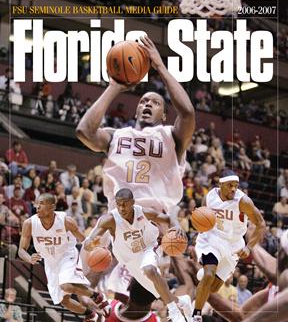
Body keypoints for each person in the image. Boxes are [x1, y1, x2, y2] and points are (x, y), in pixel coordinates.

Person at [76, 35, 195, 221]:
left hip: (156, 221)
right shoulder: (116, 135)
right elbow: (84, 132)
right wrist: (114, 87)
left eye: (155, 103)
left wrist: (160, 67)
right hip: (119, 219)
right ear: (136, 111)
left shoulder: (172, 136)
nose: (148, 104)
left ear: (164, 116)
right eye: (143, 101)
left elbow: (187, 113)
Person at [85, 188, 192, 322]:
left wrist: (176, 225)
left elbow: (168, 219)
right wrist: (91, 244)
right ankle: (182, 302)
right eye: (119, 204)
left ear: (133, 202)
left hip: (148, 247)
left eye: (125, 203)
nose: (122, 207)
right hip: (130, 260)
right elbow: (88, 242)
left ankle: (174, 310)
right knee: (158, 292)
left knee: (149, 269)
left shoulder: (144, 213)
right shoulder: (110, 220)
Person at [18, 193, 110, 322]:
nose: (37, 207)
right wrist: (29, 258)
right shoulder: (29, 223)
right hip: (50, 261)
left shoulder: (66, 221)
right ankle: (90, 314)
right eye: (36, 204)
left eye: (41, 204)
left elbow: (84, 239)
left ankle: (97, 297)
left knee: (66, 285)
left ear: (52, 207)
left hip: (67, 255)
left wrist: (93, 245)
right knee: (64, 301)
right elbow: (21, 250)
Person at [192, 169, 266, 322]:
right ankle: (196, 315)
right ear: (220, 184)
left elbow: (261, 224)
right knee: (208, 274)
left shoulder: (243, 201)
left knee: (212, 288)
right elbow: (200, 216)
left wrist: (249, 247)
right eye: (230, 185)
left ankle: (204, 280)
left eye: (236, 185)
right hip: (212, 238)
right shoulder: (210, 197)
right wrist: (198, 223)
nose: (233, 189)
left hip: (233, 244)